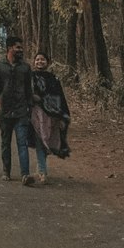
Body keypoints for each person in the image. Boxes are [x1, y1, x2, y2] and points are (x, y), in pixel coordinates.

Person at [0, 36, 35, 184]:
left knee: (22, 142)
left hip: (21, 110)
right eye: (18, 47)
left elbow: (29, 89)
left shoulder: (25, 67)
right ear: (10, 48)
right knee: (6, 142)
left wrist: (31, 108)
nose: (20, 50)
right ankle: (6, 170)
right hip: (5, 109)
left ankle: (25, 174)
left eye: (21, 48)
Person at [30, 52, 71, 184]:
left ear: (48, 62)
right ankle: (42, 171)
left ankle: (41, 168)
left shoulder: (54, 79)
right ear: (34, 62)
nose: (40, 62)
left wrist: (62, 117)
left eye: (42, 59)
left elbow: (59, 98)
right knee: (40, 141)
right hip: (35, 115)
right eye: (37, 59)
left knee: (46, 142)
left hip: (50, 116)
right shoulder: (30, 77)